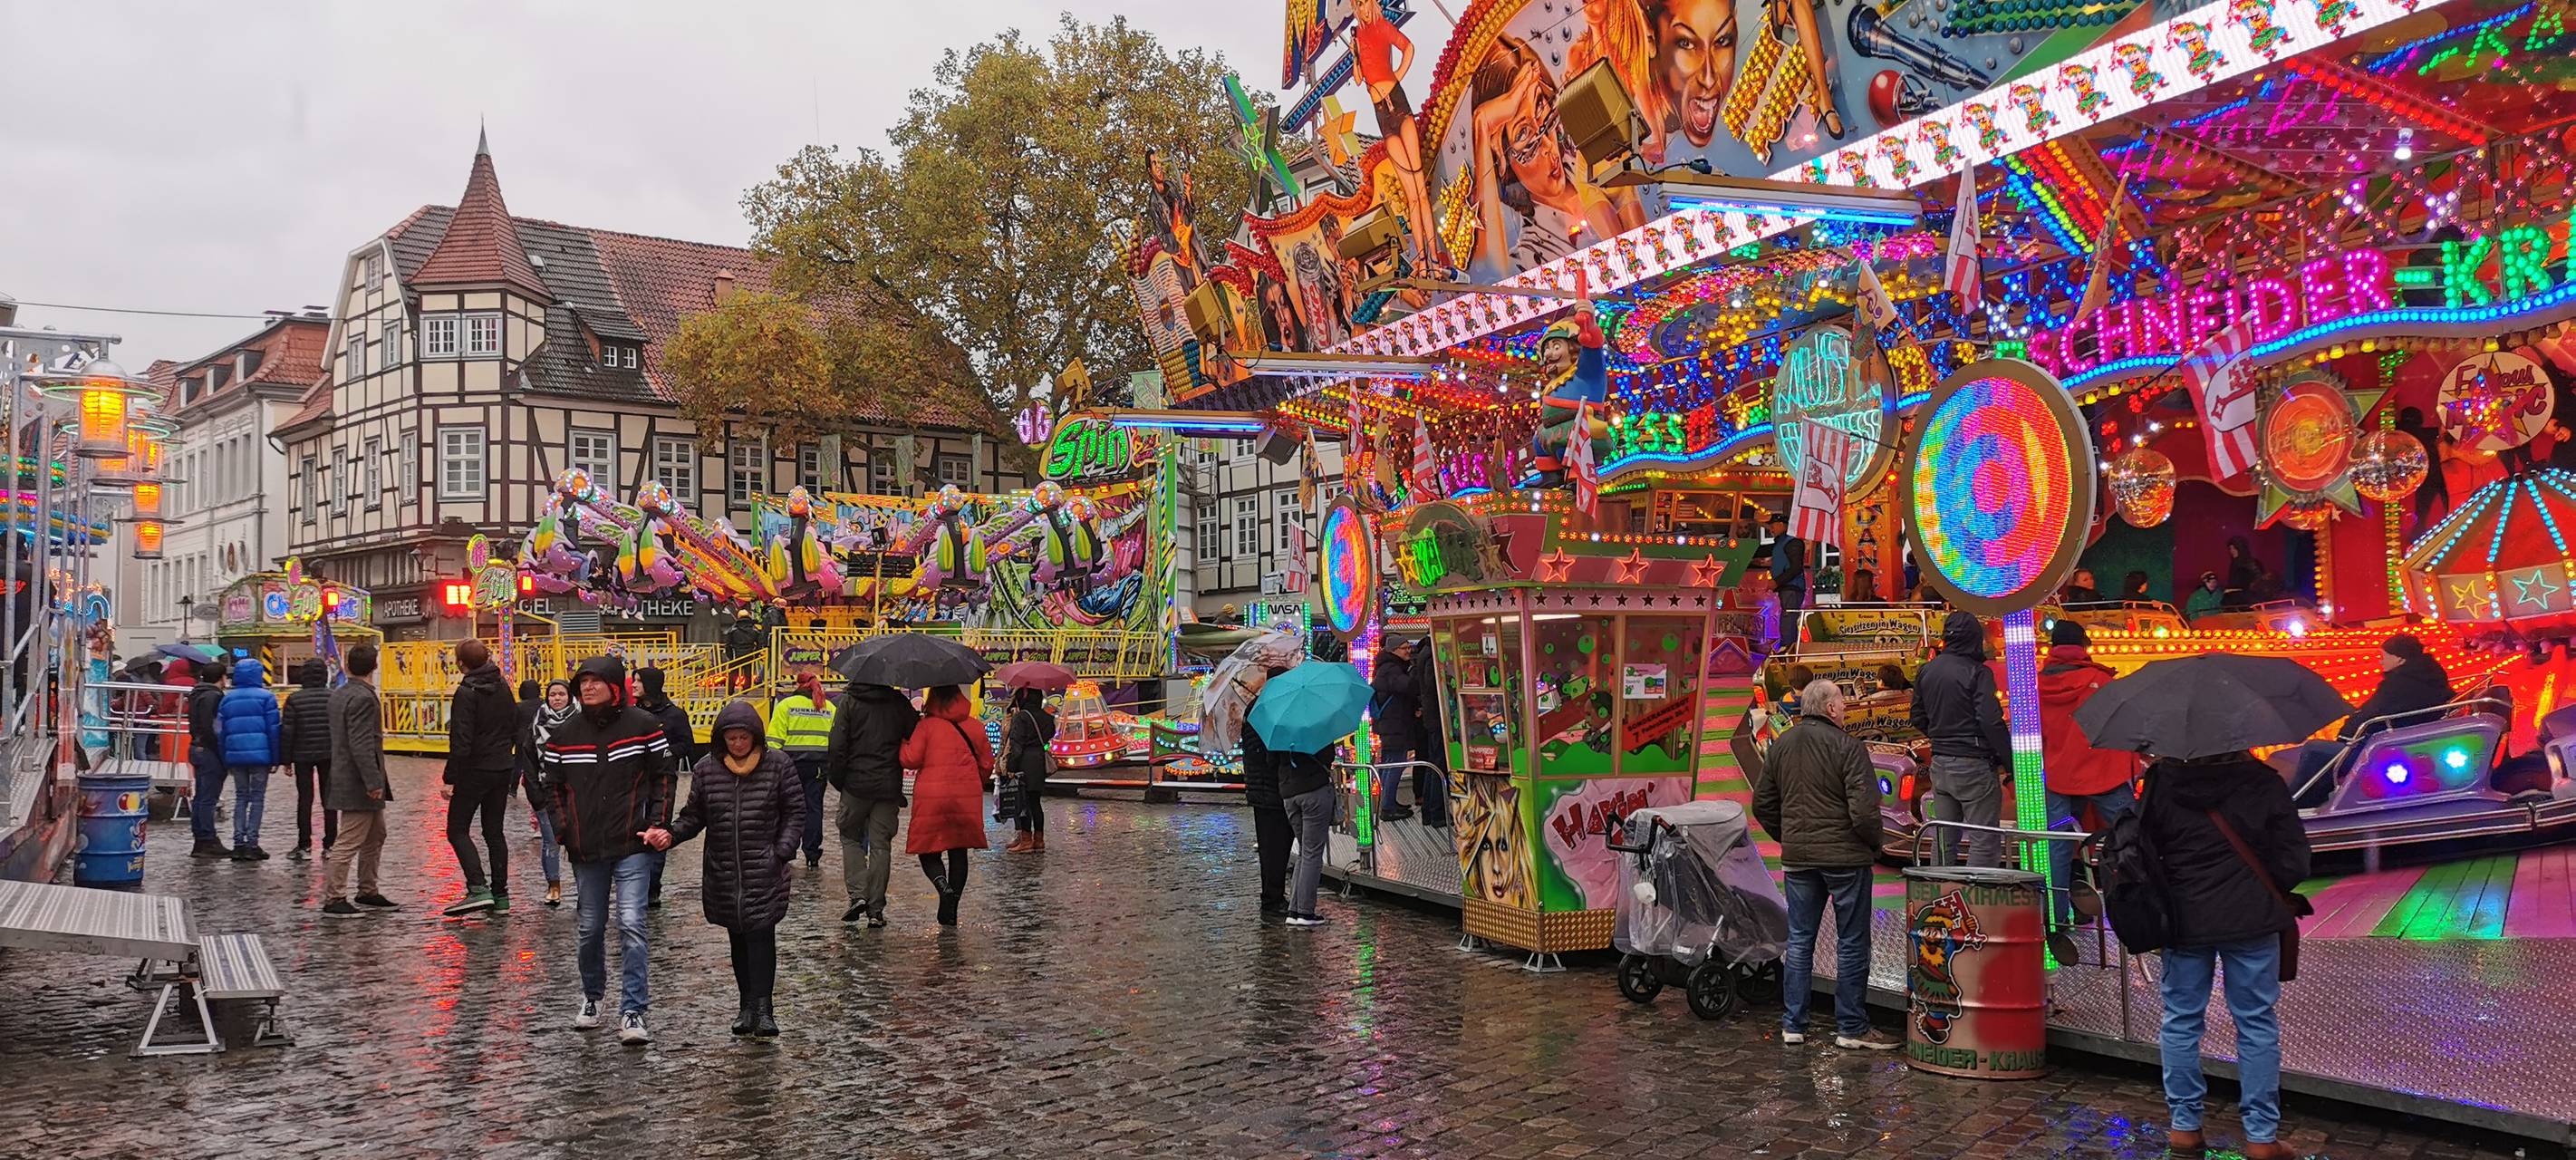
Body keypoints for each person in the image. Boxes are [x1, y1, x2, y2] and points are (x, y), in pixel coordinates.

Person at [2142, 747, 2312, 1160]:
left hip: (2184, 919)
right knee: (2255, 1023)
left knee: (2181, 1020)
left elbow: (2145, 851)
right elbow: (2294, 860)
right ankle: (2260, 1137)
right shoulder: (2264, 780)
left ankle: (2184, 1128)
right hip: (2252, 917)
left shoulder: (2162, 780)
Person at [535, 654, 679, 1046]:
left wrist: (659, 824)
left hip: (632, 842)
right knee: (590, 928)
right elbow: (551, 785)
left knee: (632, 923)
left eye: (596, 681)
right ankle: (593, 997)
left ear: (615, 686)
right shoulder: (563, 735)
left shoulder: (645, 727)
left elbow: (665, 777)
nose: (588, 687)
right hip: (587, 847)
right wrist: (564, 830)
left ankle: (633, 1009)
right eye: (583, 682)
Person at [1753, 679, 1898, 1049]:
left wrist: (1789, 836)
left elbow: (1763, 804)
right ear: (1830, 709)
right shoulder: (1848, 747)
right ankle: (1851, 1028)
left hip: (1799, 860)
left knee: (1800, 941)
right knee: (1851, 942)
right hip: (1846, 858)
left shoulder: (1782, 745)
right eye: (1842, 702)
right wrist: (1876, 845)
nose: (1846, 708)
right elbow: (1864, 811)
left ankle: (1794, 1025)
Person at [645, 701, 801, 1038]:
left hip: (764, 867)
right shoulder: (707, 769)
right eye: (731, 738)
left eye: (743, 738)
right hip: (724, 870)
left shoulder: (778, 766)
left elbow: (794, 812)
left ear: (755, 736)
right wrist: (670, 834)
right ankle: (746, 1005)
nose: (738, 744)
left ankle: (764, 1008)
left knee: (761, 936)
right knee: (738, 938)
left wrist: (782, 852)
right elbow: (695, 816)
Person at [2035, 621, 2138, 959]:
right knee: (2129, 840)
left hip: (2057, 774)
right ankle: (2135, 909)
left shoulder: (2036, 684)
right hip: (2101, 773)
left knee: (2057, 847)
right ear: (2084, 644)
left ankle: (2055, 917)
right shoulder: (2101, 682)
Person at [2289, 633, 2455, 794]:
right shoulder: (2429, 677)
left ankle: (2300, 801)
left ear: (2399, 658)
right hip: (2404, 738)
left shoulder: (2398, 685)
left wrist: (2345, 736)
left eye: (2384, 656)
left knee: (2313, 749)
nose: (2380, 660)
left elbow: (2368, 716)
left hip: (2381, 749)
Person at [1910, 611, 2010, 867]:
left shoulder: (1927, 670)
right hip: (1974, 762)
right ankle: (1976, 900)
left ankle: (1940, 901)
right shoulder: (1978, 672)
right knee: (1984, 840)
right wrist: (2008, 761)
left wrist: (1940, 736)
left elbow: (1917, 716)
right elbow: (1990, 720)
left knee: (1944, 839)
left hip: (1941, 762)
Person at [825, 676, 916, 925]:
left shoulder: (848, 702)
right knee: (880, 845)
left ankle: (857, 895)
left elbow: (836, 746)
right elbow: (915, 733)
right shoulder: (898, 702)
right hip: (887, 786)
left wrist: (840, 780)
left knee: (850, 836)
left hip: (855, 784)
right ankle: (876, 909)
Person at [900, 685, 993, 927]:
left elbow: (911, 759)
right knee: (959, 850)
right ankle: (952, 908)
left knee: (928, 850)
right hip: (965, 795)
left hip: (933, 795)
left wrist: (902, 743)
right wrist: (973, 782)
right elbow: (986, 763)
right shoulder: (974, 726)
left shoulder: (926, 726)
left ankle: (942, 886)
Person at [439, 641, 518, 914]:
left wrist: (451, 777)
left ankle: (477, 887)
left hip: (475, 770)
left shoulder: (466, 692)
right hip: (502, 767)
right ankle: (501, 895)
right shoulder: (503, 686)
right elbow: (514, 724)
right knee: (494, 831)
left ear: (461, 663)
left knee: (457, 829)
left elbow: (460, 741)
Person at [320, 644, 396, 916]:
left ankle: (368, 889)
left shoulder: (339, 694)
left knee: (376, 835)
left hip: (345, 774)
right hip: (358, 781)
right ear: (375, 666)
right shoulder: (364, 698)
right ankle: (335, 897)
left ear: (348, 666)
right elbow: (361, 743)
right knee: (349, 840)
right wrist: (373, 781)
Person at [632, 665, 696, 906]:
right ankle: (635, 884)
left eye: (638, 681)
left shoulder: (674, 715)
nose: (634, 685)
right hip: (635, 782)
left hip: (662, 782)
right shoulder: (631, 714)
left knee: (658, 829)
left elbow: (686, 744)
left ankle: (652, 888)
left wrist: (666, 753)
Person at [214, 657, 282, 862]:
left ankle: (238, 843)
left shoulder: (227, 699)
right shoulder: (266, 698)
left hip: (235, 755)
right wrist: (276, 758)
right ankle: (252, 842)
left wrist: (225, 756)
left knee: (241, 797)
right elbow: (274, 730)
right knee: (257, 798)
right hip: (261, 756)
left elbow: (220, 731)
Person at [768, 670, 836, 867]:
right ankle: (812, 853)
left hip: (790, 767)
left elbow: (774, 741)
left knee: (788, 809)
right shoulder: (829, 708)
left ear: (797, 685)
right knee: (813, 809)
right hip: (818, 768)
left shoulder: (786, 706)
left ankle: (787, 848)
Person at [1277, 722, 1338, 929]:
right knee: (1312, 852)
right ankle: (1305, 912)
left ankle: (1294, 911)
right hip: (1313, 789)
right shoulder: (1316, 722)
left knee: (1305, 851)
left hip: (1288, 792)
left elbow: (1271, 760)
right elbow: (1328, 755)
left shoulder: (1280, 725)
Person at [1240, 685, 1292, 918]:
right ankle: (1271, 899)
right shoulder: (1261, 713)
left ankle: (1275, 895)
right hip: (1267, 792)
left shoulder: (1263, 709)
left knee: (1277, 848)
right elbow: (1261, 753)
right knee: (1273, 848)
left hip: (1268, 791)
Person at [278, 659, 339, 860]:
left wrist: (286, 760)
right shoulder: (334, 697)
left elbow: (287, 732)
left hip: (302, 755)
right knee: (329, 800)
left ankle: (304, 845)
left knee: (305, 800)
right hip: (329, 754)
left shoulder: (294, 699)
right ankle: (330, 844)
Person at [519, 679, 574, 907]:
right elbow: (528, 758)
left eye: (562, 694)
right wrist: (534, 792)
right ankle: (553, 886)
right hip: (545, 791)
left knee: (579, 842)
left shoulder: (581, 721)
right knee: (550, 841)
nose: (557, 698)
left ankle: (585, 887)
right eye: (553, 695)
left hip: (575, 791)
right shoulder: (537, 722)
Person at [1369, 638, 1426, 822]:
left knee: (1390, 763)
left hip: (1390, 723)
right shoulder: (1391, 669)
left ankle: (1388, 802)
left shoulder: (1385, 667)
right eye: (1404, 648)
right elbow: (1407, 686)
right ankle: (1387, 806)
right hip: (1395, 724)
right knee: (1396, 763)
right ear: (1394, 650)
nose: (1408, 651)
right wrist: (1415, 671)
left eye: (1409, 647)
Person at [184, 659, 232, 858]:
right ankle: (207, 839)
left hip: (197, 747)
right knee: (208, 797)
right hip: (208, 751)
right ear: (221, 678)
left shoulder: (197, 694)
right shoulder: (213, 696)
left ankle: (201, 839)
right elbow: (211, 727)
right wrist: (221, 751)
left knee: (201, 797)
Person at [1001, 686, 1056, 853]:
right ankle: (1039, 840)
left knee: (1023, 804)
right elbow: (1049, 735)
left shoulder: (1021, 717)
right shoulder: (1047, 718)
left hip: (1024, 762)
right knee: (1035, 802)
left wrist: (1011, 767)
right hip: (1038, 761)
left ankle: (1026, 841)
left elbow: (1017, 746)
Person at [1409, 639, 1450, 827]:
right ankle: (1437, 812)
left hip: (1432, 717)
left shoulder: (1425, 654)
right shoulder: (1433, 655)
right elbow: (1434, 685)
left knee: (1433, 764)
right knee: (1438, 765)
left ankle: (1429, 811)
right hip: (1439, 717)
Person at [1767, 515, 1808, 650]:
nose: (1771, 529)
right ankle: (1788, 648)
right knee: (1787, 618)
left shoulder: (1792, 542)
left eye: (1773, 525)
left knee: (1788, 619)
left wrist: (1777, 581)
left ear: (1782, 525)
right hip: (1787, 587)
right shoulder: (1783, 542)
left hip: (1791, 587)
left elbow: (1796, 567)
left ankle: (1788, 649)